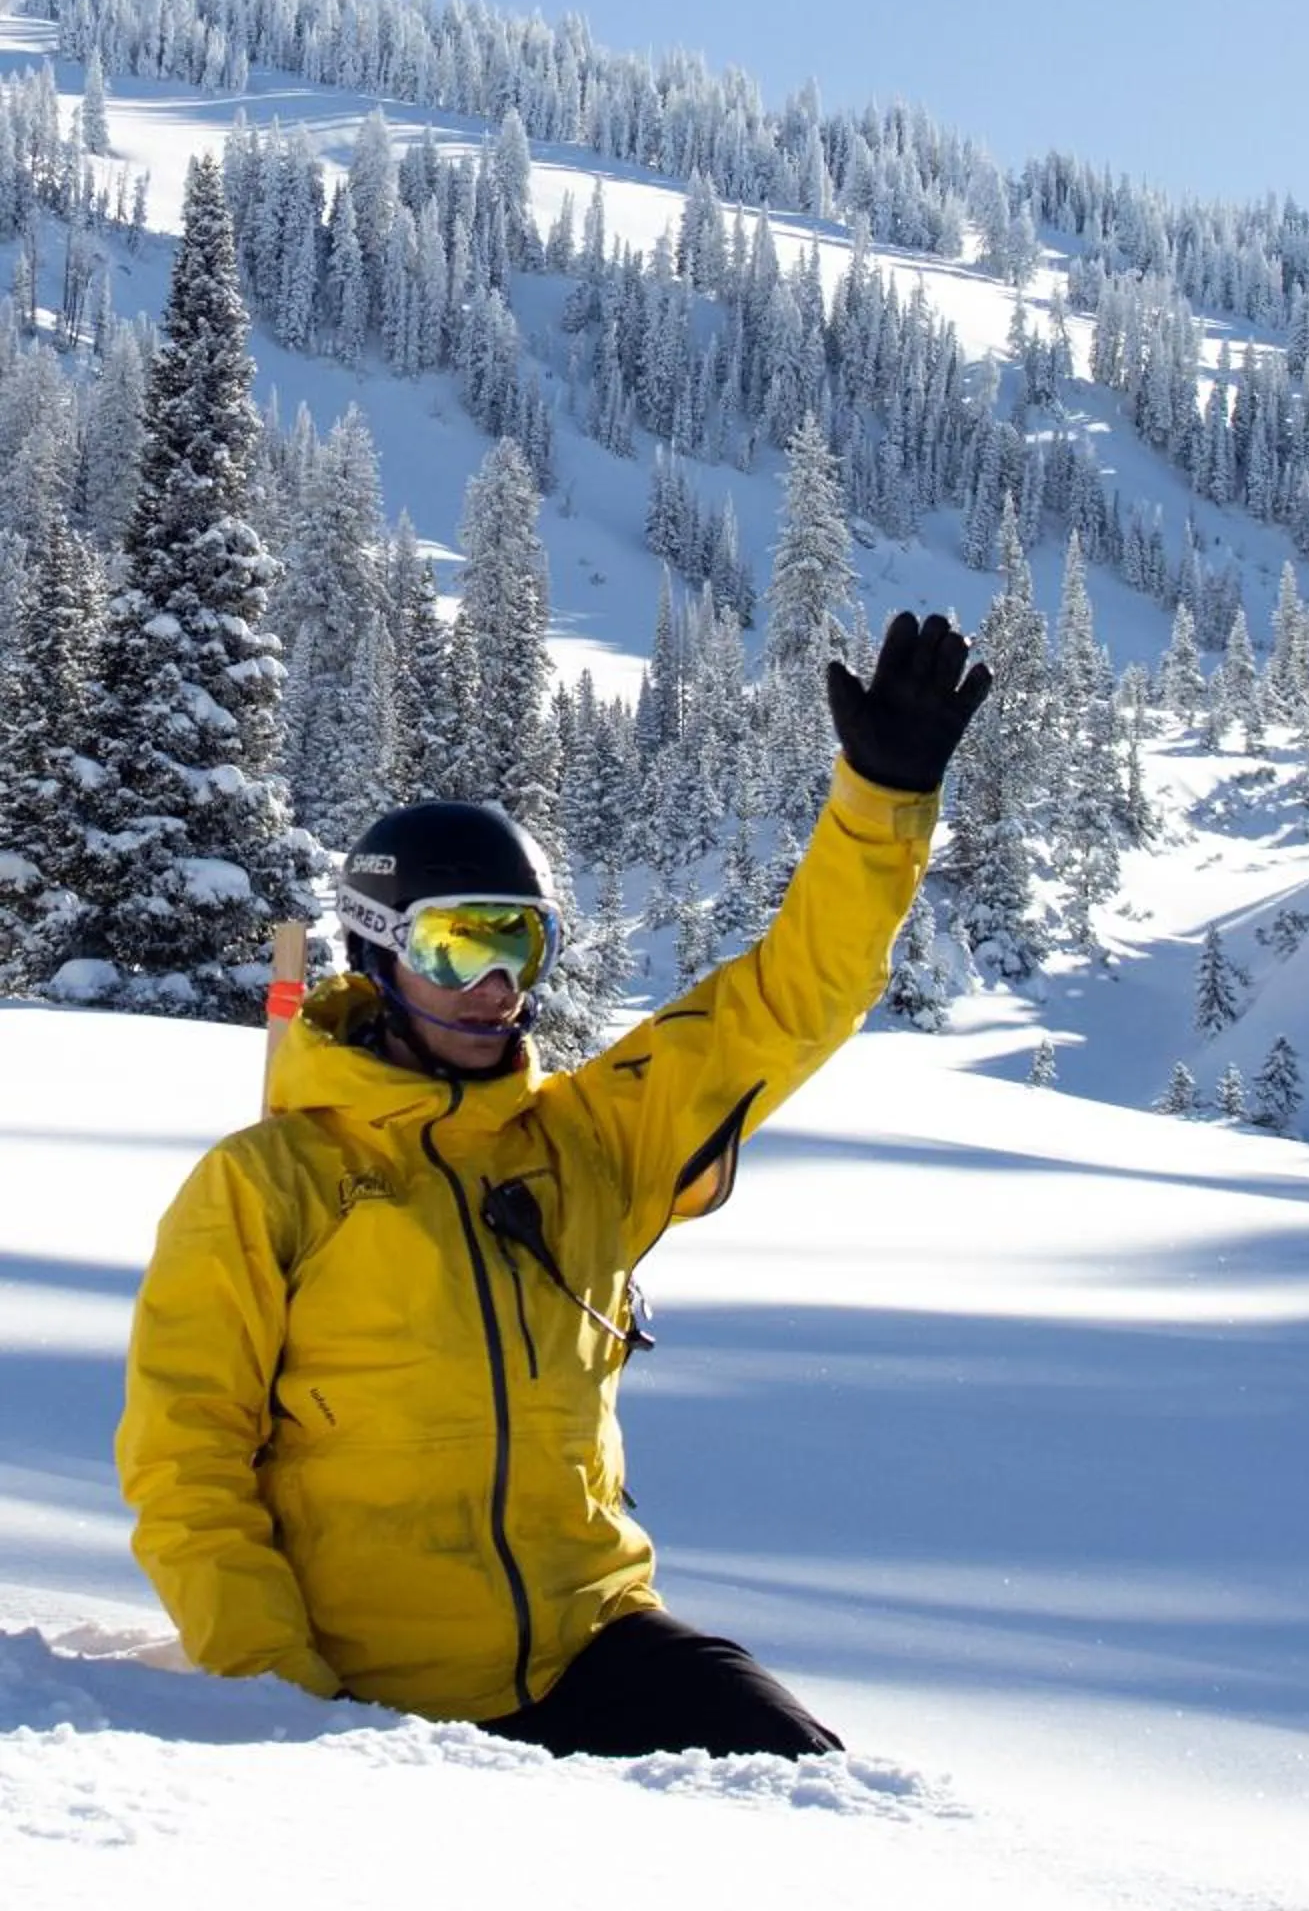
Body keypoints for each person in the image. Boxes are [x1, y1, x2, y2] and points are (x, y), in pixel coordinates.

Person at [116, 610, 989, 1760]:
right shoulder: (269, 1184)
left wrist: (881, 802)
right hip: (376, 1686)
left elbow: (786, 1002)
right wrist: (286, 1698)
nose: (494, 987)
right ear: (378, 955)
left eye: (519, 947)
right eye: (457, 948)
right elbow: (187, 1466)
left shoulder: (588, 1144)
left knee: (814, 1792)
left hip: (591, 1639)